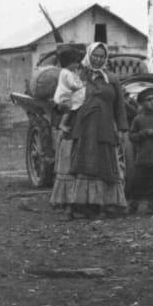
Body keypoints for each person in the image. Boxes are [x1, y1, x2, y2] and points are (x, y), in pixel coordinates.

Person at [53, 42, 129, 218]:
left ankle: (104, 204)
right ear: (89, 55)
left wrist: (122, 128)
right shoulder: (78, 76)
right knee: (79, 164)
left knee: (104, 165)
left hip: (103, 127)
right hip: (82, 126)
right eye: (95, 55)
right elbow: (65, 98)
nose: (98, 59)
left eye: (102, 56)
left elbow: (119, 106)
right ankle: (78, 205)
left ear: (106, 58)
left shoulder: (111, 79)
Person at [127, 87, 153, 217]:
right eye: (149, 100)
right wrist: (141, 134)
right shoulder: (138, 119)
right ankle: (133, 204)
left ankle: (150, 206)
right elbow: (131, 136)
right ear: (142, 103)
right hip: (142, 157)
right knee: (137, 182)